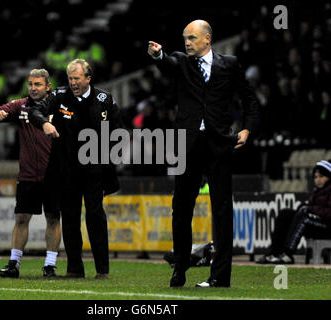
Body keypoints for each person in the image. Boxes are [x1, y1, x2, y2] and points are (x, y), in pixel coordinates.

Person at [148, 20, 259, 288]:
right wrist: (158, 55)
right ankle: (180, 267)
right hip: (186, 145)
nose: (187, 42)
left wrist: (246, 130)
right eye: (185, 38)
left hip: (219, 144)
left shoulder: (229, 64)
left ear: (207, 39)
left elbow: (250, 100)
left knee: (222, 210)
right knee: (181, 209)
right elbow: (168, 61)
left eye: (192, 38)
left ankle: (220, 276)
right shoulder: (183, 62)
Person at [28, 59, 122, 279]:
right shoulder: (59, 97)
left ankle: (102, 270)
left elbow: (119, 129)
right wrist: (44, 123)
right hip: (67, 170)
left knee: (95, 216)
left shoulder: (104, 99)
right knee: (70, 218)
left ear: (88, 78)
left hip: (94, 170)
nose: (73, 83)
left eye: (77, 78)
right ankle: (74, 269)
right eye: (70, 78)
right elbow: (35, 110)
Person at [0, 69, 61, 278]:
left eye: (38, 84)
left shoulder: (59, 106)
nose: (33, 88)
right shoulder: (20, 106)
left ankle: (50, 265)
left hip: (53, 174)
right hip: (28, 175)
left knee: (53, 217)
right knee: (21, 218)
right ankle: (14, 263)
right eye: (30, 84)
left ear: (48, 87)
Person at [257, 160, 331, 264]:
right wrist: (305, 206)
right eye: (316, 177)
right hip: (316, 224)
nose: (318, 180)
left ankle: (288, 254)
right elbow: (311, 206)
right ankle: (274, 253)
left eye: (321, 177)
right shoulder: (317, 191)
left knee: (304, 218)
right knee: (286, 214)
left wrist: (311, 209)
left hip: (327, 227)